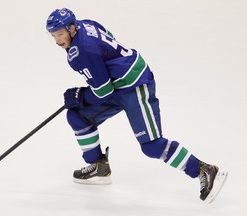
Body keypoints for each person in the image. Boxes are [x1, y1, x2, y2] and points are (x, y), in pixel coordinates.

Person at [46, 8, 228, 203]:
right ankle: (98, 166)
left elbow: (102, 92)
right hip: (117, 85)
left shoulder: (82, 52)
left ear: (71, 28)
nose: (57, 40)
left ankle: (203, 169)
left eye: (60, 34)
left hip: (135, 86)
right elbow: (109, 41)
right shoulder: (86, 24)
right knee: (77, 116)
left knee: (151, 145)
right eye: (53, 35)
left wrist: (80, 95)